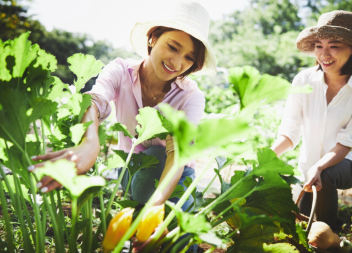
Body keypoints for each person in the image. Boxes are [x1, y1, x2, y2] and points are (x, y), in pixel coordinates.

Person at [29, 1, 217, 251]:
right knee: (132, 237)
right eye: (173, 46)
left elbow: (179, 154)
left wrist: (157, 207)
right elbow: (94, 101)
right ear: (152, 38)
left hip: (174, 177)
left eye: (189, 58)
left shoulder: (191, 96)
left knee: (175, 242)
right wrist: (89, 142)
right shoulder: (121, 70)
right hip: (130, 172)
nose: (177, 62)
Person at [271, 10, 352, 230]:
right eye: (319, 46)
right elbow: (290, 131)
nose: (324, 54)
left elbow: (349, 140)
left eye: (334, 46)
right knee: (302, 223)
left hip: (351, 161)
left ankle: (329, 241)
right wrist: (264, 160)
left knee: (325, 183)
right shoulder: (303, 79)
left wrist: (319, 167)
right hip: (309, 165)